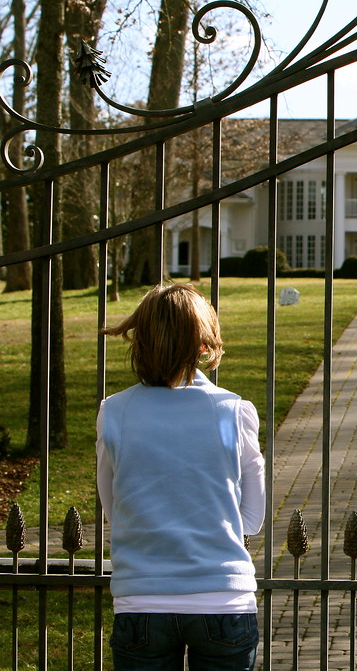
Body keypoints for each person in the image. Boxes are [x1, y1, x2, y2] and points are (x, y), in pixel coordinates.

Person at [96, 283, 265, 670]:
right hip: (223, 598)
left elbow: (114, 509)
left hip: (141, 598)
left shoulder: (114, 411)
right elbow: (252, 518)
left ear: (140, 341)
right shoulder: (234, 411)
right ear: (203, 345)